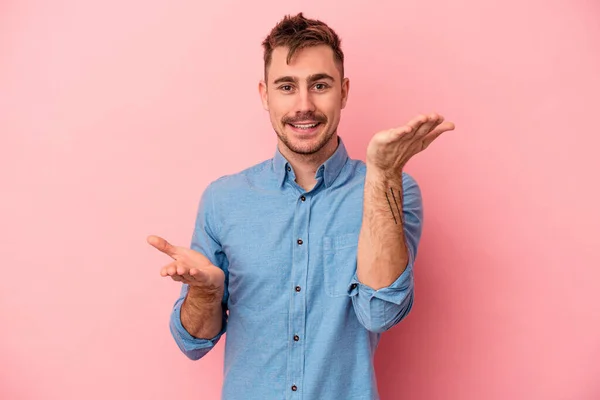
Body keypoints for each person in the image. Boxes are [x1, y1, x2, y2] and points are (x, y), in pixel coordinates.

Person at [147, 12, 455, 400]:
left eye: (320, 85)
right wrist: (206, 296)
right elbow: (193, 343)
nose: (304, 105)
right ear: (265, 95)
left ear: (343, 92)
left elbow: (381, 314)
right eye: (287, 86)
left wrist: (383, 173)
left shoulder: (393, 188)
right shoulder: (222, 199)